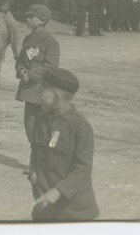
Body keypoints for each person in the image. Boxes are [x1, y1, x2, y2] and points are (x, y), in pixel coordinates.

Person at [29, 68, 99, 220]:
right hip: (45, 206)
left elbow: (83, 169)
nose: (38, 95)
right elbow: (35, 149)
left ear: (56, 96)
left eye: (42, 91)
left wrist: (57, 191)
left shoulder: (80, 127)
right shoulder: (41, 120)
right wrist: (33, 172)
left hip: (74, 210)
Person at [15, 4, 60, 148]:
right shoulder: (27, 39)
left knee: (45, 127)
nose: (27, 20)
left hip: (43, 90)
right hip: (29, 90)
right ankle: (35, 158)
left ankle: (46, 158)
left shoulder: (50, 42)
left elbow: (51, 66)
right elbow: (21, 60)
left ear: (41, 21)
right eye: (27, 17)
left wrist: (31, 75)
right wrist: (21, 70)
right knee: (30, 125)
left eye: (31, 17)